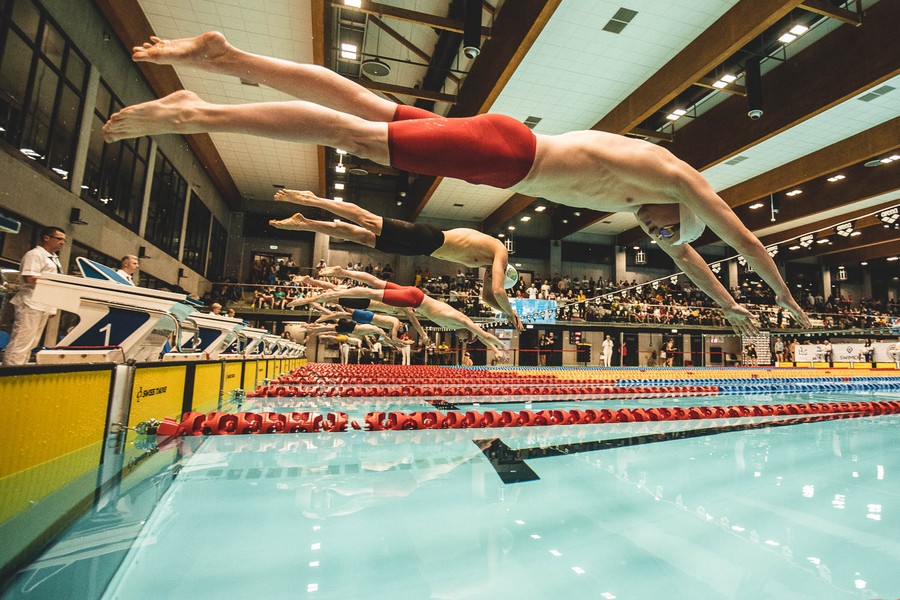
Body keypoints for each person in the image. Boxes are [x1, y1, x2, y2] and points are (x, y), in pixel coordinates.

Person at [103, 31, 811, 337]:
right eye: (663, 228)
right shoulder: (677, 178)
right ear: (680, 209)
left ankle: (227, 58)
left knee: (364, 108)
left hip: (501, 155)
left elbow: (692, 262)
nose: (655, 235)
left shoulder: (662, 211)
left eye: (658, 236)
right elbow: (746, 245)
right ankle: (198, 110)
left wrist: (732, 309)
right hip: (510, 153)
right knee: (354, 134)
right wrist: (784, 300)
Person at [268, 190, 521, 330]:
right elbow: (498, 291)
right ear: (503, 269)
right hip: (429, 237)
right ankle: (311, 199)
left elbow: (489, 297)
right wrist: (510, 313)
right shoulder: (499, 250)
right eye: (495, 275)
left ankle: (306, 223)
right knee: (368, 221)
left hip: (422, 249)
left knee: (363, 237)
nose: (490, 278)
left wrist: (508, 313)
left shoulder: (488, 264)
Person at [290, 266, 507, 359]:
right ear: (468, 333)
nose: (462, 340)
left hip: (415, 297)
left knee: (374, 283)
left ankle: (340, 273)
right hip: (415, 299)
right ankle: (315, 298)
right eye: (466, 339)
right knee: (368, 292)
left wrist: (422, 335)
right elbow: (483, 334)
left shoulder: (453, 325)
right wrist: (499, 348)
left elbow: (416, 321)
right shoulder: (463, 321)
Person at [3, 227, 66, 366]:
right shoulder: (35, 255)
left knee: (32, 342)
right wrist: (54, 281)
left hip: (43, 304)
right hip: (30, 303)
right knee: (22, 341)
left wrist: (52, 307)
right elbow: (30, 278)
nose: (62, 242)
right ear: (46, 238)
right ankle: (10, 371)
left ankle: (20, 370)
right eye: (59, 239)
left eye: (64, 240)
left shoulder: (54, 259)